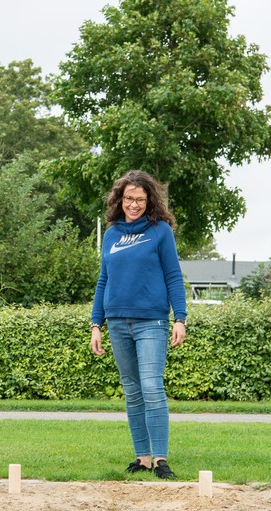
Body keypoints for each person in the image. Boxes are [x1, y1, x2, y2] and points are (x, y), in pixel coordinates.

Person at [90, 170, 188, 480]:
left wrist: (180, 318)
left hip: (152, 322)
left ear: (150, 201)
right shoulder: (111, 235)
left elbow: (173, 276)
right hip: (117, 322)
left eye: (140, 200)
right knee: (132, 391)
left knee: (151, 387)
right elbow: (104, 280)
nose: (134, 204)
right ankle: (142, 458)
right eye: (129, 198)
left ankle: (160, 459)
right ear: (119, 200)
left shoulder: (160, 231)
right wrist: (96, 324)